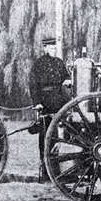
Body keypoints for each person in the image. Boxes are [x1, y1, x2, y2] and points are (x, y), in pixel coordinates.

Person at [28, 37, 72, 182]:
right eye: (51, 48)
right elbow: (33, 85)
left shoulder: (59, 63)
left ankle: (60, 171)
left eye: (55, 47)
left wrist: (68, 81)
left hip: (60, 102)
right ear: (45, 48)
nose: (53, 50)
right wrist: (37, 103)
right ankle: (46, 172)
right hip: (46, 103)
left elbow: (66, 78)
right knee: (46, 137)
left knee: (63, 136)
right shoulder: (39, 64)